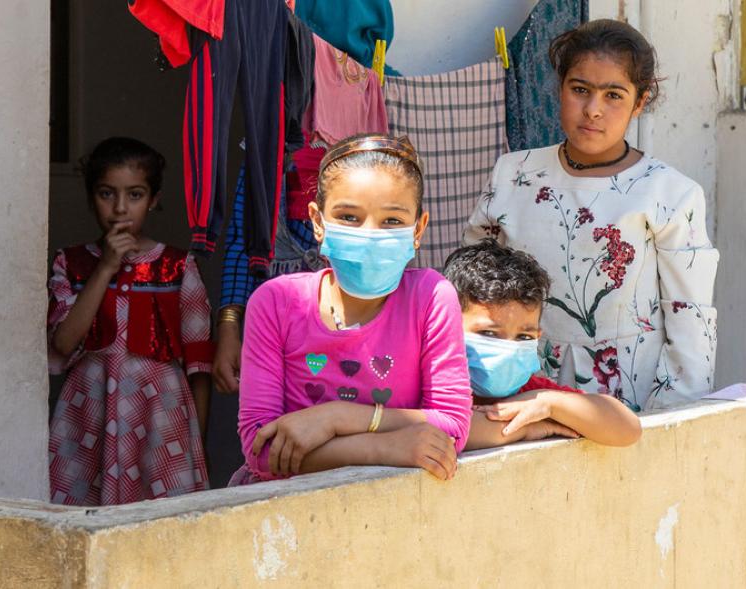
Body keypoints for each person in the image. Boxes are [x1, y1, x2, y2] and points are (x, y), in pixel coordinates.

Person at [463, 19, 719, 413]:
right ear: (560, 89)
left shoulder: (669, 194)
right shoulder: (514, 174)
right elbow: (470, 289)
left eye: (613, 95)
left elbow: (691, 322)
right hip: (516, 389)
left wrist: (668, 422)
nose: (593, 110)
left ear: (640, 102)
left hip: (625, 403)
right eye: (579, 89)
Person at [231, 134, 471, 484]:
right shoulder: (275, 303)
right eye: (348, 216)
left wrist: (335, 418)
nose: (370, 235)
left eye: (391, 221)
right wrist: (385, 448)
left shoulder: (431, 297)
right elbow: (261, 450)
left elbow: (452, 426)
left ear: (418, 229)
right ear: (317, 221)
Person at [47, 137, 213, 505]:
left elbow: (199, 364)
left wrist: (194, 442)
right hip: (88, 413)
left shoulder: (177, 267)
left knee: (162, 524)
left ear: (153, 200)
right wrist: (105, 266)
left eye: (135, 195)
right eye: (107, 194)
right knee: (81, 522)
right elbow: (62, 343)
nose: (120, 208)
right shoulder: (69, 263)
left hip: (162, 419)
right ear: (91, 196)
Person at [443, 241, 642, 450]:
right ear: (446, 328)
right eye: (488, 333)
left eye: (524, 337)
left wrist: (550, 404)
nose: (508, 348)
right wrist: (527, 428)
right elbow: (446, 432)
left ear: (538, 336)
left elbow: (628, 429)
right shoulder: (433, 387)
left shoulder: (532, 394)